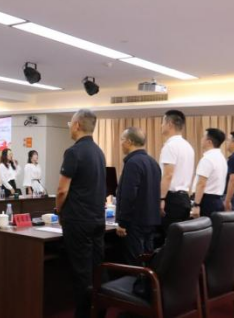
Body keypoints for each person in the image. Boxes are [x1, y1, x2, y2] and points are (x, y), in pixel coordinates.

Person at [55, 109, 106, 318]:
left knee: (81, 273)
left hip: (78, 220)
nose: (69, 127)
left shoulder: (73, 152)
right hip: (97, 219)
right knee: (96, 269)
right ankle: (99, 312)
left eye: (70, 123)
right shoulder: (99, 152)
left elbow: (62, 190)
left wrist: (58, 210)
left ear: (77, 125)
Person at [115, 127, 162, 266]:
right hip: (151, 220)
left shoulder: (132, 163)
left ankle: (136, 281)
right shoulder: (153, 163)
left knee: (134, 262)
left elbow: (128, 195)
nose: (121, 143)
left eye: (122, 140)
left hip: (134, 223)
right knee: (148, 259)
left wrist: (122, 222)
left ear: (129, 141)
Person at [159, 110, 195, 233]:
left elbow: (168, 175)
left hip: (172, 200)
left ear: (169, 124)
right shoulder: (188, 146)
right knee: (181, 239)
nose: (161, 126)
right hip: (184, 198)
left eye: (162, 122)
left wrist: (161, 199)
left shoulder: (170, 146)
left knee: (169, 238)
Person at [192, 129, 228, 218]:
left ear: (209, 142)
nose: (201, 139)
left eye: (203, 137)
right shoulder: (222, 158)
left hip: (206, 201)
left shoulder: (207, 159)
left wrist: (196, 205)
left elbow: (201, 183)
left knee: (204, 226)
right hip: (218, 200)